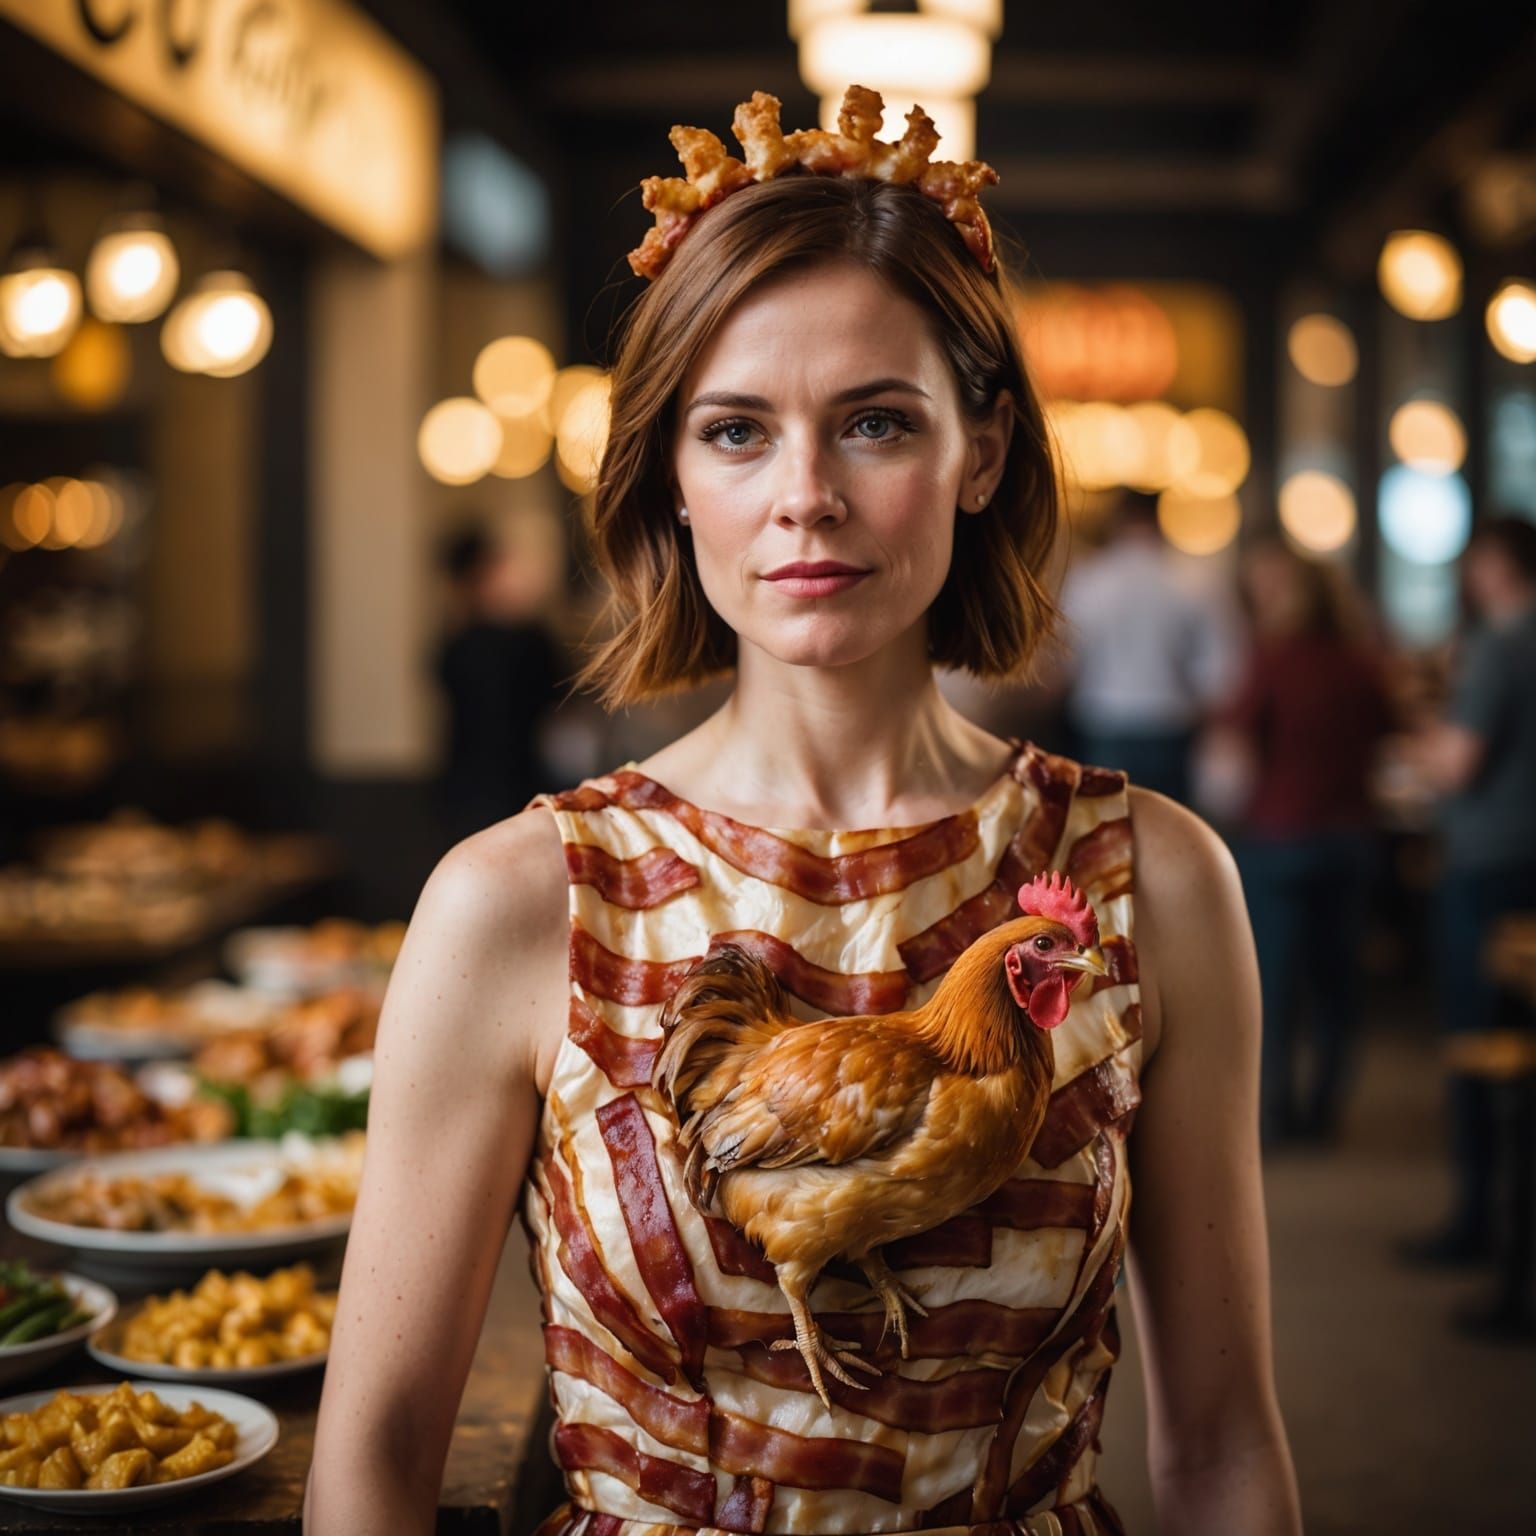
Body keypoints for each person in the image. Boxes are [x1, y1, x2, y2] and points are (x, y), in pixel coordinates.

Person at [308, 86, 1300, 1535]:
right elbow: (380, 1456)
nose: (806, 498)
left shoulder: (1154, 875)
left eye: (877, 423)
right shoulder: (522, 897)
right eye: (736, 432)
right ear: (666, 474)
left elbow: (1219, 1451)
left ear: (987, 454)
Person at [1220, 539, 1391, 1147]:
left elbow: (1233, 739)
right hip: (1350, 836)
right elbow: (1390, 732)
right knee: (1338, 985)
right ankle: (1325, 1114)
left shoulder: (1274, 658)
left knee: (1274, 985)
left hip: (1281, 834)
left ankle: (1274, 1117)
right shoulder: (1362, 661)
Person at [1402, 515, 1536, 1265]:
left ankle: (1480, 1226)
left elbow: (1455, 766)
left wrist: (1424, 721)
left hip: (1487, 863)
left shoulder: (1497, 647)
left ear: (1495, 564)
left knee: (1476, 1046)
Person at [1058, 489, 1239, 803]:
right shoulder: (1195, 580)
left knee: (1107, 830)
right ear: (1159, 519)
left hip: (1103, 720)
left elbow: (1067, 658)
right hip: (1172, 723)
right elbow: (1220, 670)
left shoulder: (1089, 580)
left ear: (1118, 521)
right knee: (1171, 828)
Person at [434, 522, 566, 848]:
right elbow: (559, 694)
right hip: (517, 781)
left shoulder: (454, 642)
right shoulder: (524, 638)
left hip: (466, 786)